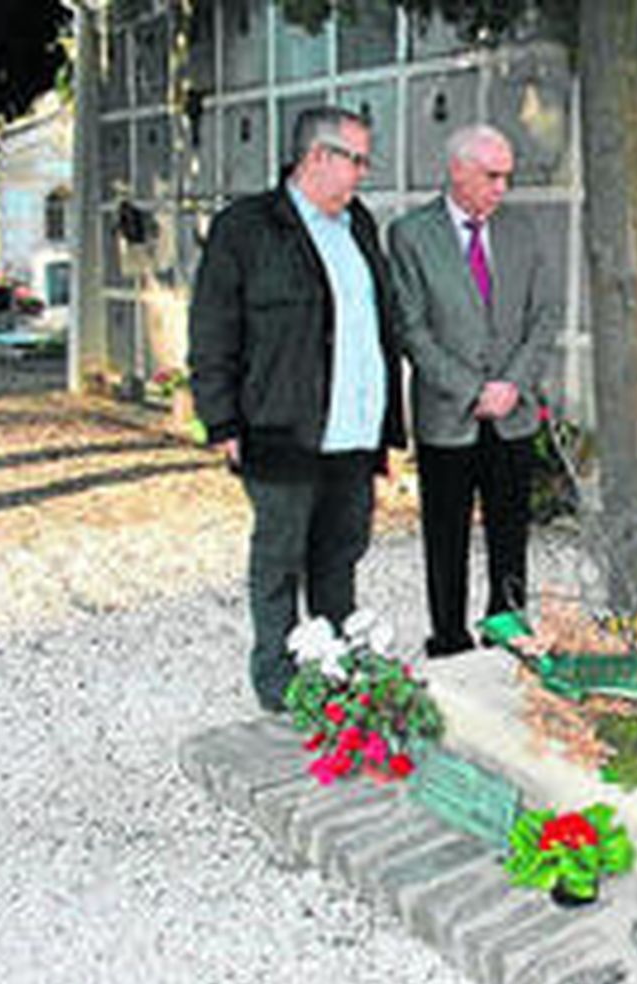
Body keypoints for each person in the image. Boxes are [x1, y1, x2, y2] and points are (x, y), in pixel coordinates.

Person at [188, 105, 406, 711]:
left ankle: (334, 663)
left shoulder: (358, 224)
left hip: (354, 432)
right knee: (280, 560)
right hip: (282, 427)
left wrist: (386, 427)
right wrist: (222, 419)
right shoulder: (249, 227)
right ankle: (278, 680)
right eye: (356, 160)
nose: (364, 173)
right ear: (317, 157)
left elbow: (374, 328)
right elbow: (212, 327)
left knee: (340, 555)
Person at [388, 123, 559, 657]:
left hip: (512, 412)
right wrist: (471, 390)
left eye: (507, 176)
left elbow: (545, 315)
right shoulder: (411, 235)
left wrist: (512, 383)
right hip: (448, 416)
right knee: (446, 536)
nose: (502, 188)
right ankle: (449, 639)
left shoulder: (523, 231)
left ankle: (505, 628)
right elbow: (411, 329)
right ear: (458, 170)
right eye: (492, 176)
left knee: (511, 533)